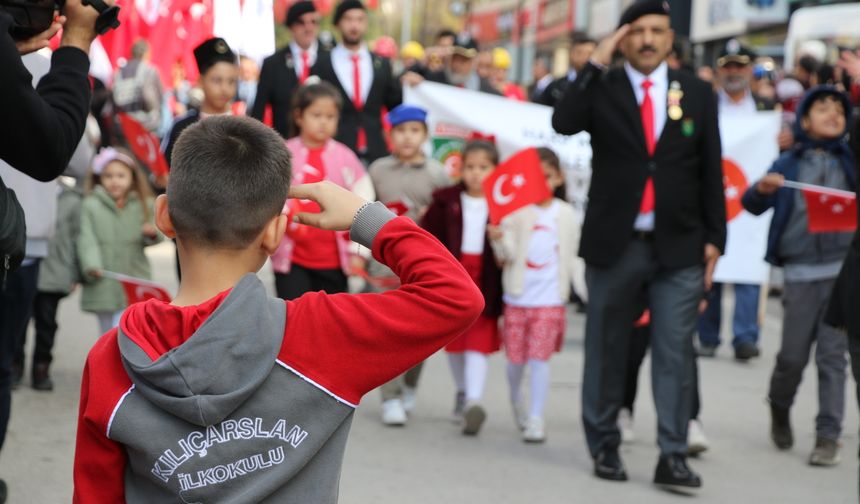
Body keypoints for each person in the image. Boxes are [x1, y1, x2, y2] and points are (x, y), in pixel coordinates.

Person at [72, 115, 484, 502]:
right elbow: (456, 297)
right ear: (274, 233)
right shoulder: (319, 333)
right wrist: (364, 216)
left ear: (165, 215)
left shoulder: (111, 357)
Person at [551, 0, 725, 490]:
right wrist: (596, 61)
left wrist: (716, 239)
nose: (648, 40)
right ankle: (604, 444)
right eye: (638, 31)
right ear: (623, 39)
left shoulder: (696, 92)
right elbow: (563, 122)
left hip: (680, 246)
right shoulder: (601, 87)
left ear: (671, 38)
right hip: (615, 243)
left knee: (674, 352)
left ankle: (673, 454)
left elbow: (710, 166)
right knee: (607, 349)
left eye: (657, 31)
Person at [742, 86, 854, 467]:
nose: (832, 113)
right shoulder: (788, 163)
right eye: (821, 107)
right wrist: (761, 187)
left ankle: (828, 435)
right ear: (803, 119)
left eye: (839, 108)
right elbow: (751, 204)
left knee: (832, 358)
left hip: (843, 274)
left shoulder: (852, 161)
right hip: (800, 273)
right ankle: (780, 404)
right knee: (792, 357)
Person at [488, 147, 583, 443]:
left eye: (548, 176)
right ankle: (517, 398)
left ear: (558, 178)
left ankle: (536, 416)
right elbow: (508, 255)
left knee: (539, 360)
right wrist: (500, 239)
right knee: (516, 361)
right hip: (518, 297)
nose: (542, 182)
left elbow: (575, 257)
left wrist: (583, 292)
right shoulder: (517, 213)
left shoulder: (566, 214)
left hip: (550, 299)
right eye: (536, 177)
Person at [365, 104, 450, 425]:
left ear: (425, 135)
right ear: (391, 134)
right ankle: (390, 397)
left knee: (420, 331)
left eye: (414, 131)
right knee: (386, 331)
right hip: (383, 263)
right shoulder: (377, 170)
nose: (407, 137)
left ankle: (410, 384)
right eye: (400, 130)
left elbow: (447, 220)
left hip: (423, 264)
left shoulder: (437, 174)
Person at [698, 39, 777, 361]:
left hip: (749, 199)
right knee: (711, 257)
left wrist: (783, 139)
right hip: (713, 192)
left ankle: (745, 336)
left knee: (748, 258)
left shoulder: (766, 109)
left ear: (749, 70)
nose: (734, 72)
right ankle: (707, 334)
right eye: (728, 65)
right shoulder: (704, 104)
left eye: (739, 66)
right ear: (719, 70)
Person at [422, 140, 503, 436]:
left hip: (487, 279)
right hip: (455, 275)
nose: (476, 174)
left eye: (484, 167)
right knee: (455, 343)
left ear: (496, 170)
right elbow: (429, 235)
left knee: (478, 344)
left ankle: (473, 401)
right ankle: (462, 391)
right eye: (470, 167)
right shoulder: (445, 200)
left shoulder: (504, 203)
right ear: (460, 168)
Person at [270, 81, 373, 300]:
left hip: (334, 262)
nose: (323, 122)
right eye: (316, 115)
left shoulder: (346, 158)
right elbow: (267, 195)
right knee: (293, 320)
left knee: (330, 325)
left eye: (330, 116)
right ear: (299, 116)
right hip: (292, 261)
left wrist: (359, 253)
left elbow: (365, 205)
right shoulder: (283, 154)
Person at [77, 148, 161, 335]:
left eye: (121, 175)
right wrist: (91, 264)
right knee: (106, 330)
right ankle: (108, 362)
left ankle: (120, 363)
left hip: (134, 274)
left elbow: (157, 235)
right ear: (100, 178)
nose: (115, 181)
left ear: (132, 176)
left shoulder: (143, 203)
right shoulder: (91, 204)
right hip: (103, 276)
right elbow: (86, 237)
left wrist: (151, 234)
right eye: (108, 176)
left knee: (123, 328)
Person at [315, 0, 402, 164]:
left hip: (376, 151)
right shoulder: (322, 64)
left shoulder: (382, 64)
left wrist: (410, 83)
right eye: (348, 19)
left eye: (360, 19)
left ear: (366, 23)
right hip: (336, 151)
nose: (354, 25)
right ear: (338, 23)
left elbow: (395, 103)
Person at [27, 175, 84, 391]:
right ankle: (14, 362)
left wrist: (76, 273)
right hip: (25, 264)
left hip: (55, 271)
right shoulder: (27, 191)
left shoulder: (72, 200)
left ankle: (41, 365)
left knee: (46, 322)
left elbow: (79, 237)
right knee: (18, 322)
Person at [251, 0, 327, 138]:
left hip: (325, 146)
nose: (308, 27)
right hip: (285, 144)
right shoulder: (273, 63)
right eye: (301, 22)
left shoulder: (330, 59)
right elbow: (258, 112)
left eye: (313, 21)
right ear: (291, 26)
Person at [162, 37, 238, 166]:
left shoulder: (243, 129)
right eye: (216, 80)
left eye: (231, 81)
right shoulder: (182, 128)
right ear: (200, 81)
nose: (225, 89)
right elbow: (166, 169)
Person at [112, 40, 163, 134]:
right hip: (145, 126)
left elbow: (113, 97)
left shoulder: (119, 72)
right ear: (146, 53)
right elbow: (152, 99)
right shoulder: (149, 70)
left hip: (123, 125)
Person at [425, 35, 500, 96]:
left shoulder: (486, 90)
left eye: (463, 60)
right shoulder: (433, 79)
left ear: (473, 62)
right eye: (454, 58)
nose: (457, 64)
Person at [537, 33, 596, 106]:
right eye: (579, 53)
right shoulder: (555, 88)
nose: (585, 58)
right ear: (571, 54)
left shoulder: (601, 86)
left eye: (589, 54)